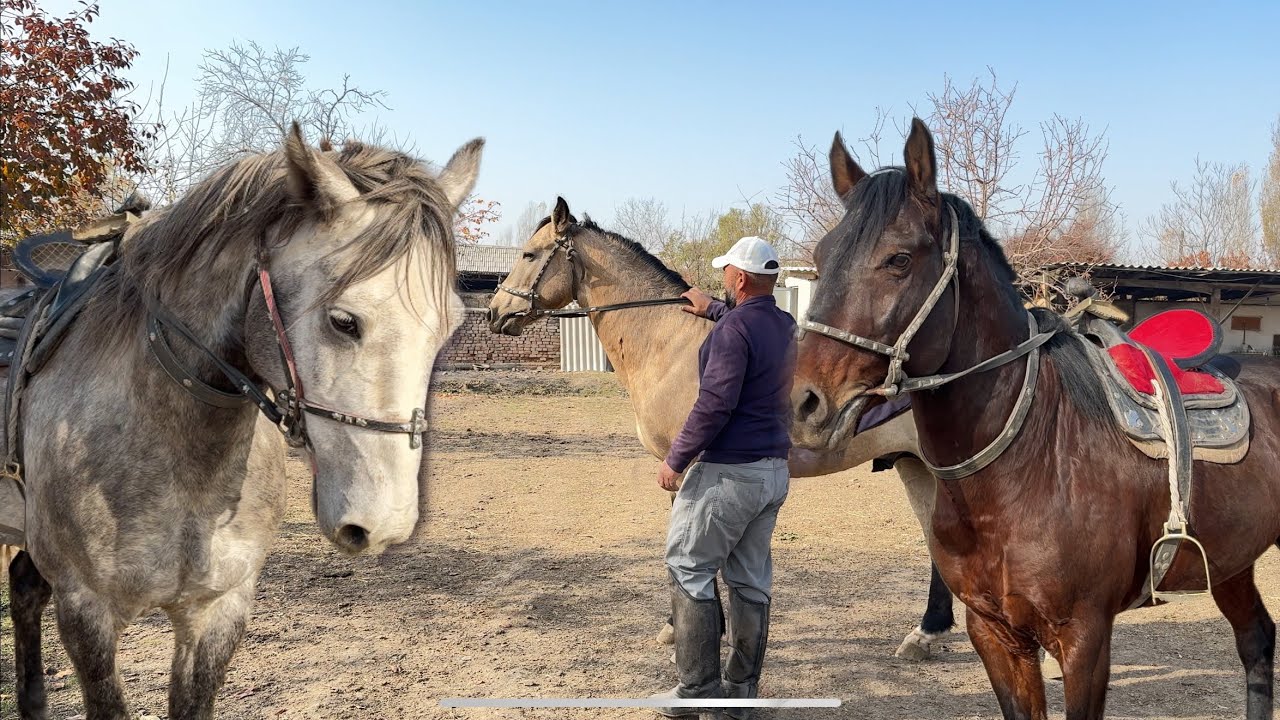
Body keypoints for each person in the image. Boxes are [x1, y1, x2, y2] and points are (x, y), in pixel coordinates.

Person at [652, 236, 796, 720]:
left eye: (726, 274)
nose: (724, 280)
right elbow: (748, 326)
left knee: (688, 565)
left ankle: (696, 693)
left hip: (728, 472)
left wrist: (675, 459)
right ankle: (739, 697)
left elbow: (715, 402)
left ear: (738, 278)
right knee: (750, 581)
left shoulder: (734, 331)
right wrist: (714, 309)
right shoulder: (783, 325)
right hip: (773, 473)